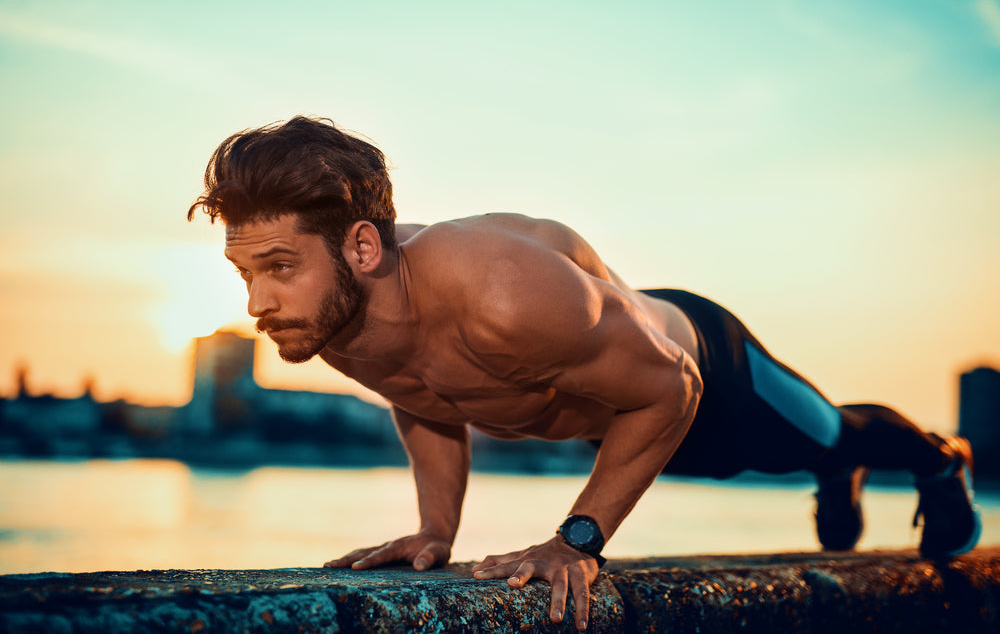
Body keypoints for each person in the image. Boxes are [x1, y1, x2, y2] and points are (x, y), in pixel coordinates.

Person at [188, 116, 981, 631]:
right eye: (246, 273)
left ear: (361, 246)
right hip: (623, 425)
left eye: (279, 267)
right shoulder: (328, 316)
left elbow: (674, 388)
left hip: (705, 368)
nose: (257, 301)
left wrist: (579, 540)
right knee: (807, 449)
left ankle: (941, 461)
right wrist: (437, 530)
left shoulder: (499, 289)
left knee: (830, 432)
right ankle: (836, 469)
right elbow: (423, 396)